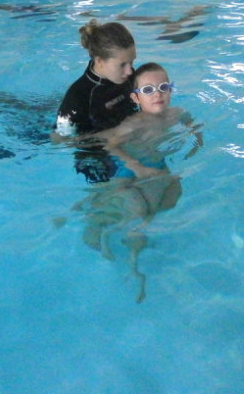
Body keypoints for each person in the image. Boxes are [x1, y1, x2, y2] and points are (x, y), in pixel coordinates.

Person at [73, 62, 202, 302]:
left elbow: (191, 123)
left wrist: (196, 139)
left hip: (156, 166)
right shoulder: (134, 124)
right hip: (126, 168)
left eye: (163, 87)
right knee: (136, 207)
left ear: (171, 89)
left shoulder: (177, 113)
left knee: (172, 195)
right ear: (135, 98)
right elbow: (111, 145)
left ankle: (136, 243)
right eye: (148, 90)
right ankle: (99, 224)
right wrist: (136, 167)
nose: (157, 94)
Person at [53, 19, 138, 182]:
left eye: (132, 62)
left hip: (124, 143)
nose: (129, 71)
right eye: (122, 65)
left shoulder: (128, 77)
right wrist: (105, 136)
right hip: (94, 155)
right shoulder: (78, 96)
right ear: (99, 61)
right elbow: (60, 139)